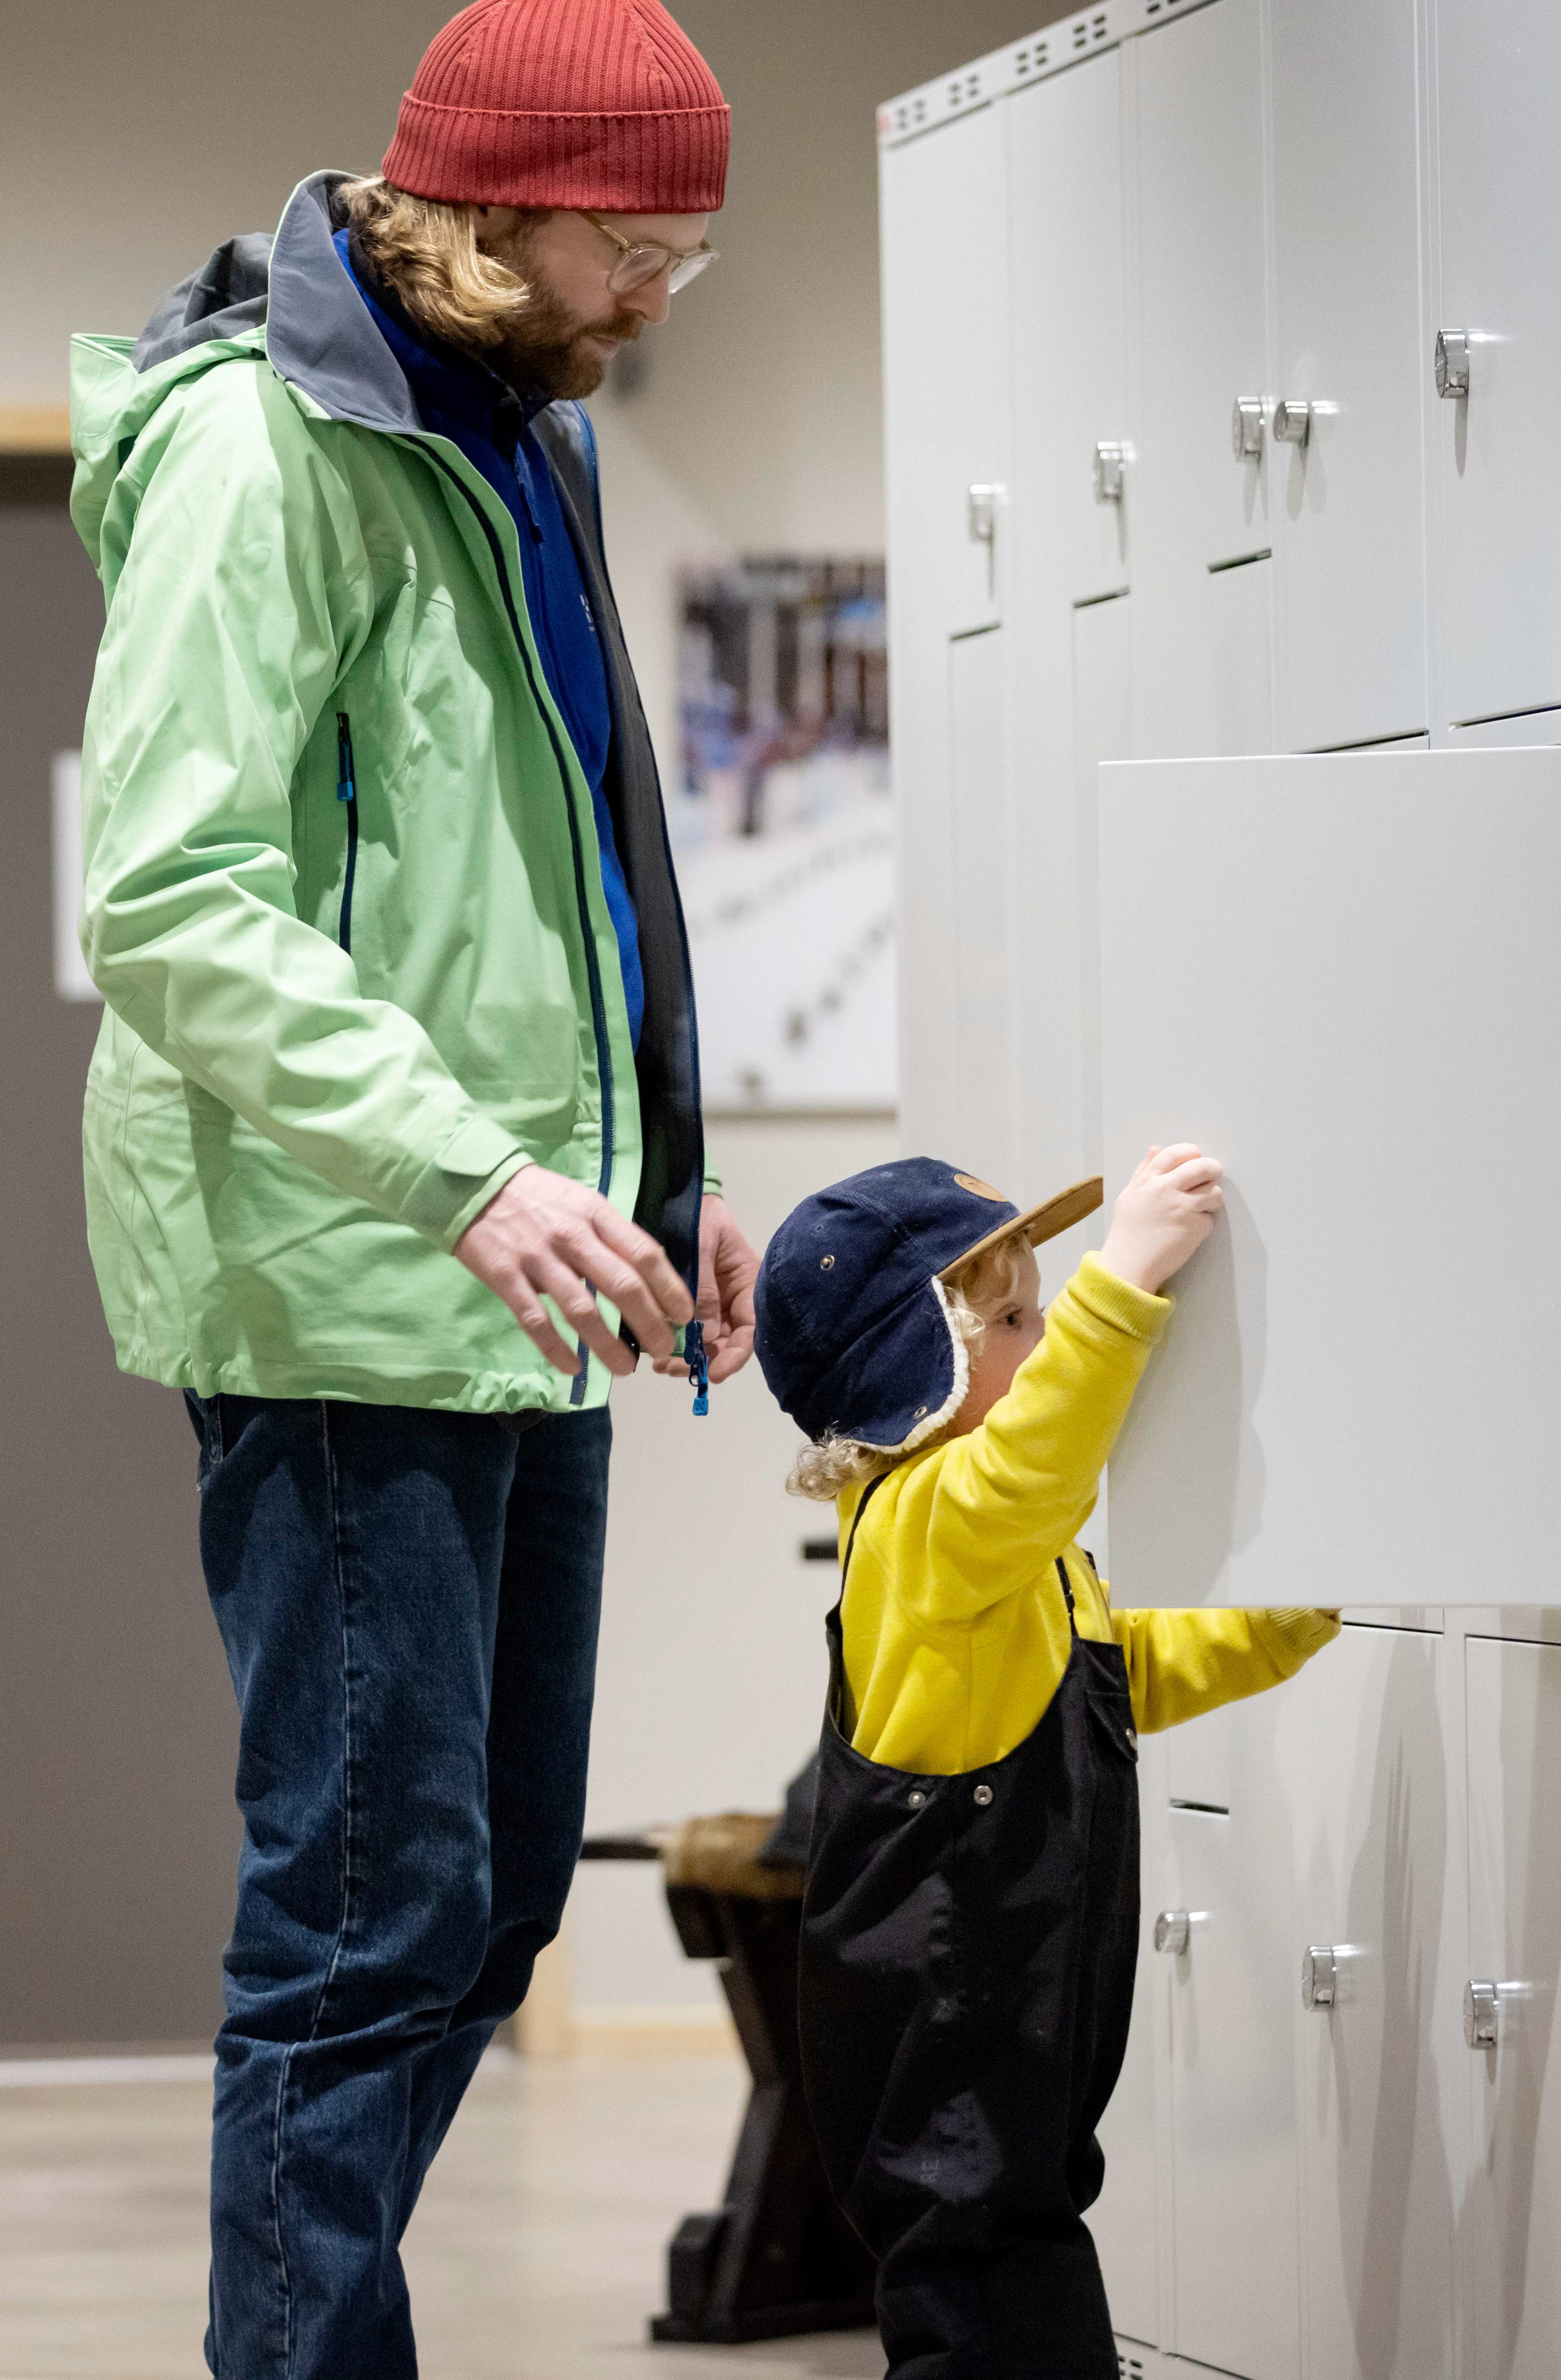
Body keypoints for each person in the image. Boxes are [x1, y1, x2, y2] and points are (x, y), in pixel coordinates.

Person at [68, 3, 754, 2370]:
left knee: (483, 1904)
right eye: (633, 244)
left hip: (518, 1271)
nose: (664, 289)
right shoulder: (273, 450)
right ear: (492, 210)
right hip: (341, 1263)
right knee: (371, 1905)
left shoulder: (523, 433)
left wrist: (662, 1175)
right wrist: (469, 1172)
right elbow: (170, 893)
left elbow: (569, 871)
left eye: (694, 250)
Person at [752, 1146, 1342, 2377]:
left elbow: (1119, 1676)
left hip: (1007, 2055)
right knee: (981, 2302)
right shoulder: (928, 1522)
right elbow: (1035, 1464)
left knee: (1022, 2288)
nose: (1036, 1340)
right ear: (921, 1366)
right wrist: (1120, 1281)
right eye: (1010, 1320)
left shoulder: (1002, 1563)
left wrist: (1300, 1606)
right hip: (941, 2038)